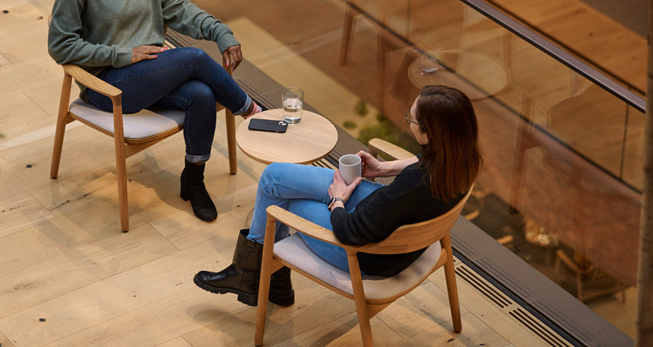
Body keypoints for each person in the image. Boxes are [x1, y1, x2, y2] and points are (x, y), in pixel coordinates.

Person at [48, 0, 262, 223]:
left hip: (150, 76)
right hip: (109, 85)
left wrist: (220, 32)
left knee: (202, 95)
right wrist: (122, 54)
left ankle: (193, 179)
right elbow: (60, 46)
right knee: (193, 59)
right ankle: (254, 114)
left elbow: (178, 9)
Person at [193, 85, 481, 307]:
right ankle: (269, 282)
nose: (408, 122)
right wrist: (382, 168)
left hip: (367, 255)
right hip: (389, 228)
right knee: (275, 178)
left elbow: (349, 232)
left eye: (412, 119)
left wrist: (337, 200)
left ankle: (251, 276)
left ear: (431, 134)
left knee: (282, 200)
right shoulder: (463, 158)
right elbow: (422, 162)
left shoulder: (411, 187)